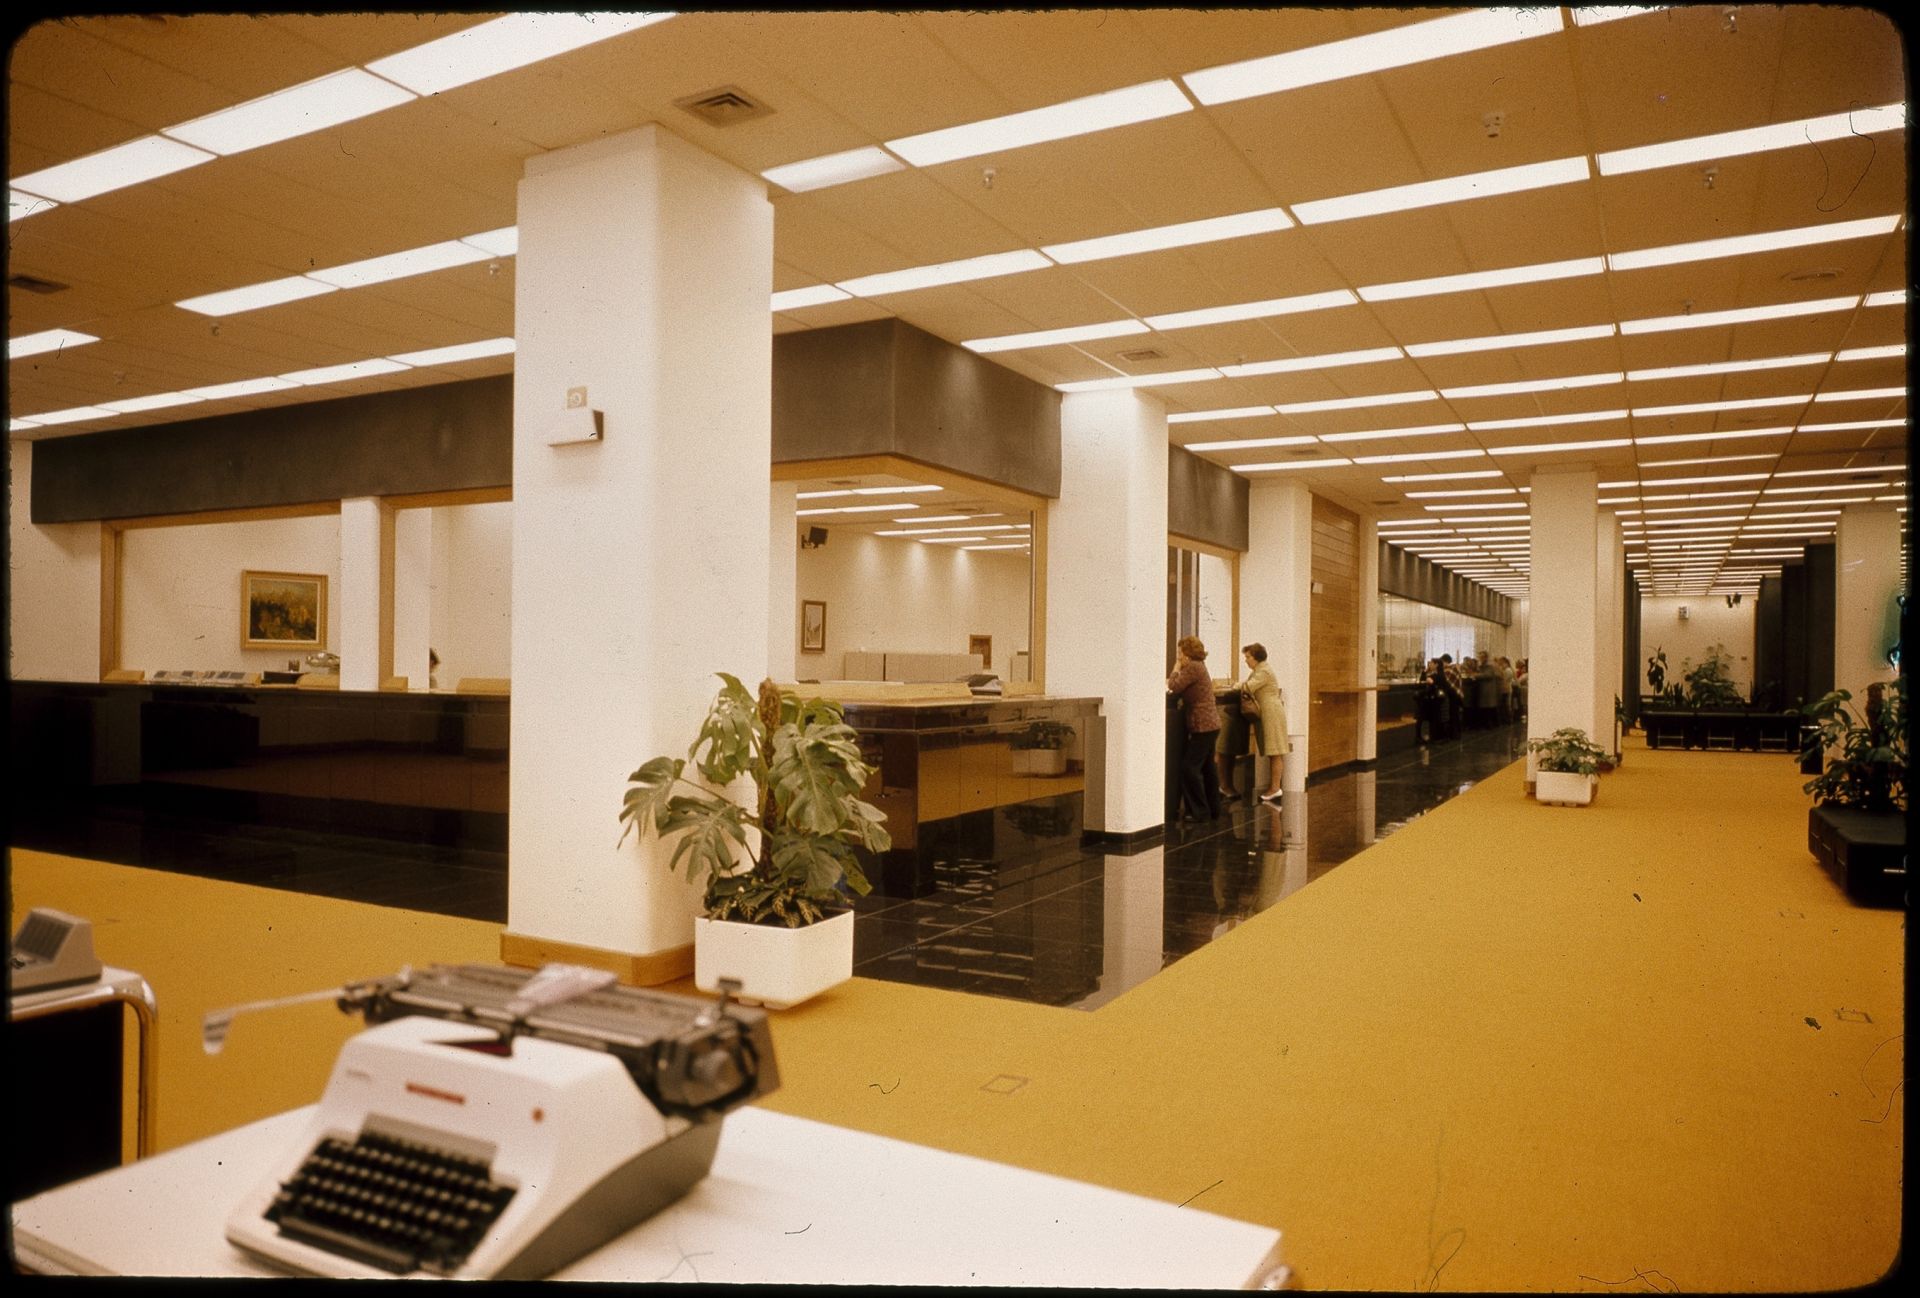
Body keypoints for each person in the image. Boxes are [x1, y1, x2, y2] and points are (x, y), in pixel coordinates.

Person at [1167, 636, 1224, 822]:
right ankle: (1212, 810)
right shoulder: (1199, 666)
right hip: (1210, 724)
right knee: (1207, 768)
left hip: (1202, 725)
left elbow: (1174, 686)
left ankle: (1200, 811)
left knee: (1189, 768)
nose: (1178, 656)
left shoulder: (1193, 667)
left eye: (1179, 652)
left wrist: (1175, 669)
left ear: (1186, 653)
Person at [1238, 643, 1291, 801]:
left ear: (1256, 657)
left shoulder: (1263, 671)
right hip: (1269, 713)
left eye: (1248, 657)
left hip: (1271, 714)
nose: (1246, 660)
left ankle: (1275, 788)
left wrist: (1237, 685)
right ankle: (1274, 787)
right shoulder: (1259, 670)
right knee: (1273, 751)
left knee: (1275, 752)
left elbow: (1248, 687)